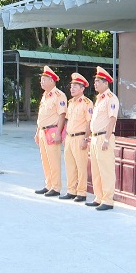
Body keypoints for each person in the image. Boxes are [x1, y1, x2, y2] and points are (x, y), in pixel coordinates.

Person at [86, 66, 119, 211]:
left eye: (98, 81)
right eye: (95, 81)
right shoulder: (99, 99)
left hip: (104, 137)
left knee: (106, 170)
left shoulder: (111, 98)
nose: (95, 84)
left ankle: (108, 200)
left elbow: (112, 119)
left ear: (106, 83)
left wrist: (106, 139)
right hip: (95, 138)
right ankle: (98, 197)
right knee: (96, 170)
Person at [59, 73, 92, 202]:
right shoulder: (71, 102)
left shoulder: (87, 103)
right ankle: (71, 190)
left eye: (75, 86)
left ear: (82, 89)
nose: (72, 89)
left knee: (81, 166)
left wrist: (86, 139)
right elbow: (67, 120)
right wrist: (64, 136)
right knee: (70, 165)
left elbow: (89, 122)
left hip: (80, 137)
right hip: (69, 138)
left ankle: (81, 192)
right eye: (71, 86)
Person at [33, 65, 66, 197]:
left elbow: (62, 115)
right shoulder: (45, 95)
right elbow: (42, 116)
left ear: (52, 80)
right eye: (41, 79)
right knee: (45, 160)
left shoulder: (59, 95)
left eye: (44, 79)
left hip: (52, 130)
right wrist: (37, 132)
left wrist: (58, 133)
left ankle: (56, 187)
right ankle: (48, 184)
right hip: (42, 130)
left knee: (54, 160)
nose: (41, 82)